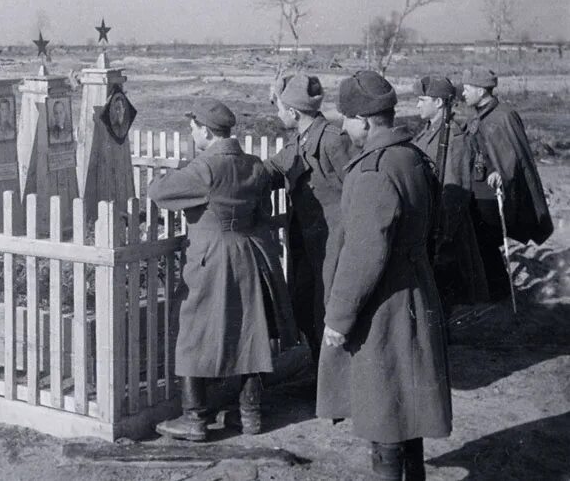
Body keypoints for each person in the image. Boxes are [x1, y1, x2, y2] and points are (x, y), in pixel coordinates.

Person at [317, 71, 452, 480]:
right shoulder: (411, 156)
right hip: (415, 292)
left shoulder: (372, 170)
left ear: (363, 119)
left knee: (384, 409)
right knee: (406, 405)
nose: (343, 126)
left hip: (384, 303)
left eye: (346, 118)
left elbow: (363, 255)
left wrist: (338, 320)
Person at [149, 98, 297, 441]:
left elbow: (158, 193)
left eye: (192, 127)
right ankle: (250, 415)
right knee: (250, 331)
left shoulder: (205, 168)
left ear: (205, 131)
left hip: (212, 257)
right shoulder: (253, 165)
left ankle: (194, 419)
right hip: (250, 253)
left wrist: (187, 167)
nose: (190, 132)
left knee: (193, 331)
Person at [263, 73, 356, 364]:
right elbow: (276, 168)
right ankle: (320, 376)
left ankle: (336, 384)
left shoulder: (332, 140)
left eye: (279, 108)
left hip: (335, 243)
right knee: (305, 307)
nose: (278, 114)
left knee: (328, 310)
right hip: (308, 242)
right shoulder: (301, 138)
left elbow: (358, 188)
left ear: (292, 112)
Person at [461, 68, 553, 301]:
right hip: (476, 186)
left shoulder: (504, 115)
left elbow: (515, 155)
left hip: (493, 192)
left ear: (481, 91)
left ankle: (499, 292)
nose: (463, 93)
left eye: (467, 88)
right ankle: (491, 289)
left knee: (486, 242)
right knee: (480, 242)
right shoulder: (475, 115)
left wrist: (501, 172)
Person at [413, 76, 489, 310]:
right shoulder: (428, 131)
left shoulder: (454, 138)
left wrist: (443, 233)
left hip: (446, 229)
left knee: (452, 291)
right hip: (430, 222)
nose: (417, 105)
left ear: (438, 103)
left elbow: (455, 191)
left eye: (421, 99)